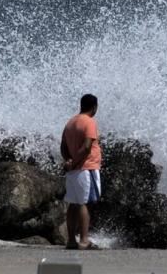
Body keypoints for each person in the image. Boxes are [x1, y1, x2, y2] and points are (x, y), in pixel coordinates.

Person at [60, 93, 102, 250]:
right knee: (85, 203)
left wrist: (68, 160)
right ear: (94, 107)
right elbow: (86, 147)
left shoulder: (70, 122)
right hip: (87, 168)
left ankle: (71, 240)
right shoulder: (89, 122)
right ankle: (84, 240)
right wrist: (76, 162)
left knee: (73, 203)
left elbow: (63, 146)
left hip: (73, 171)